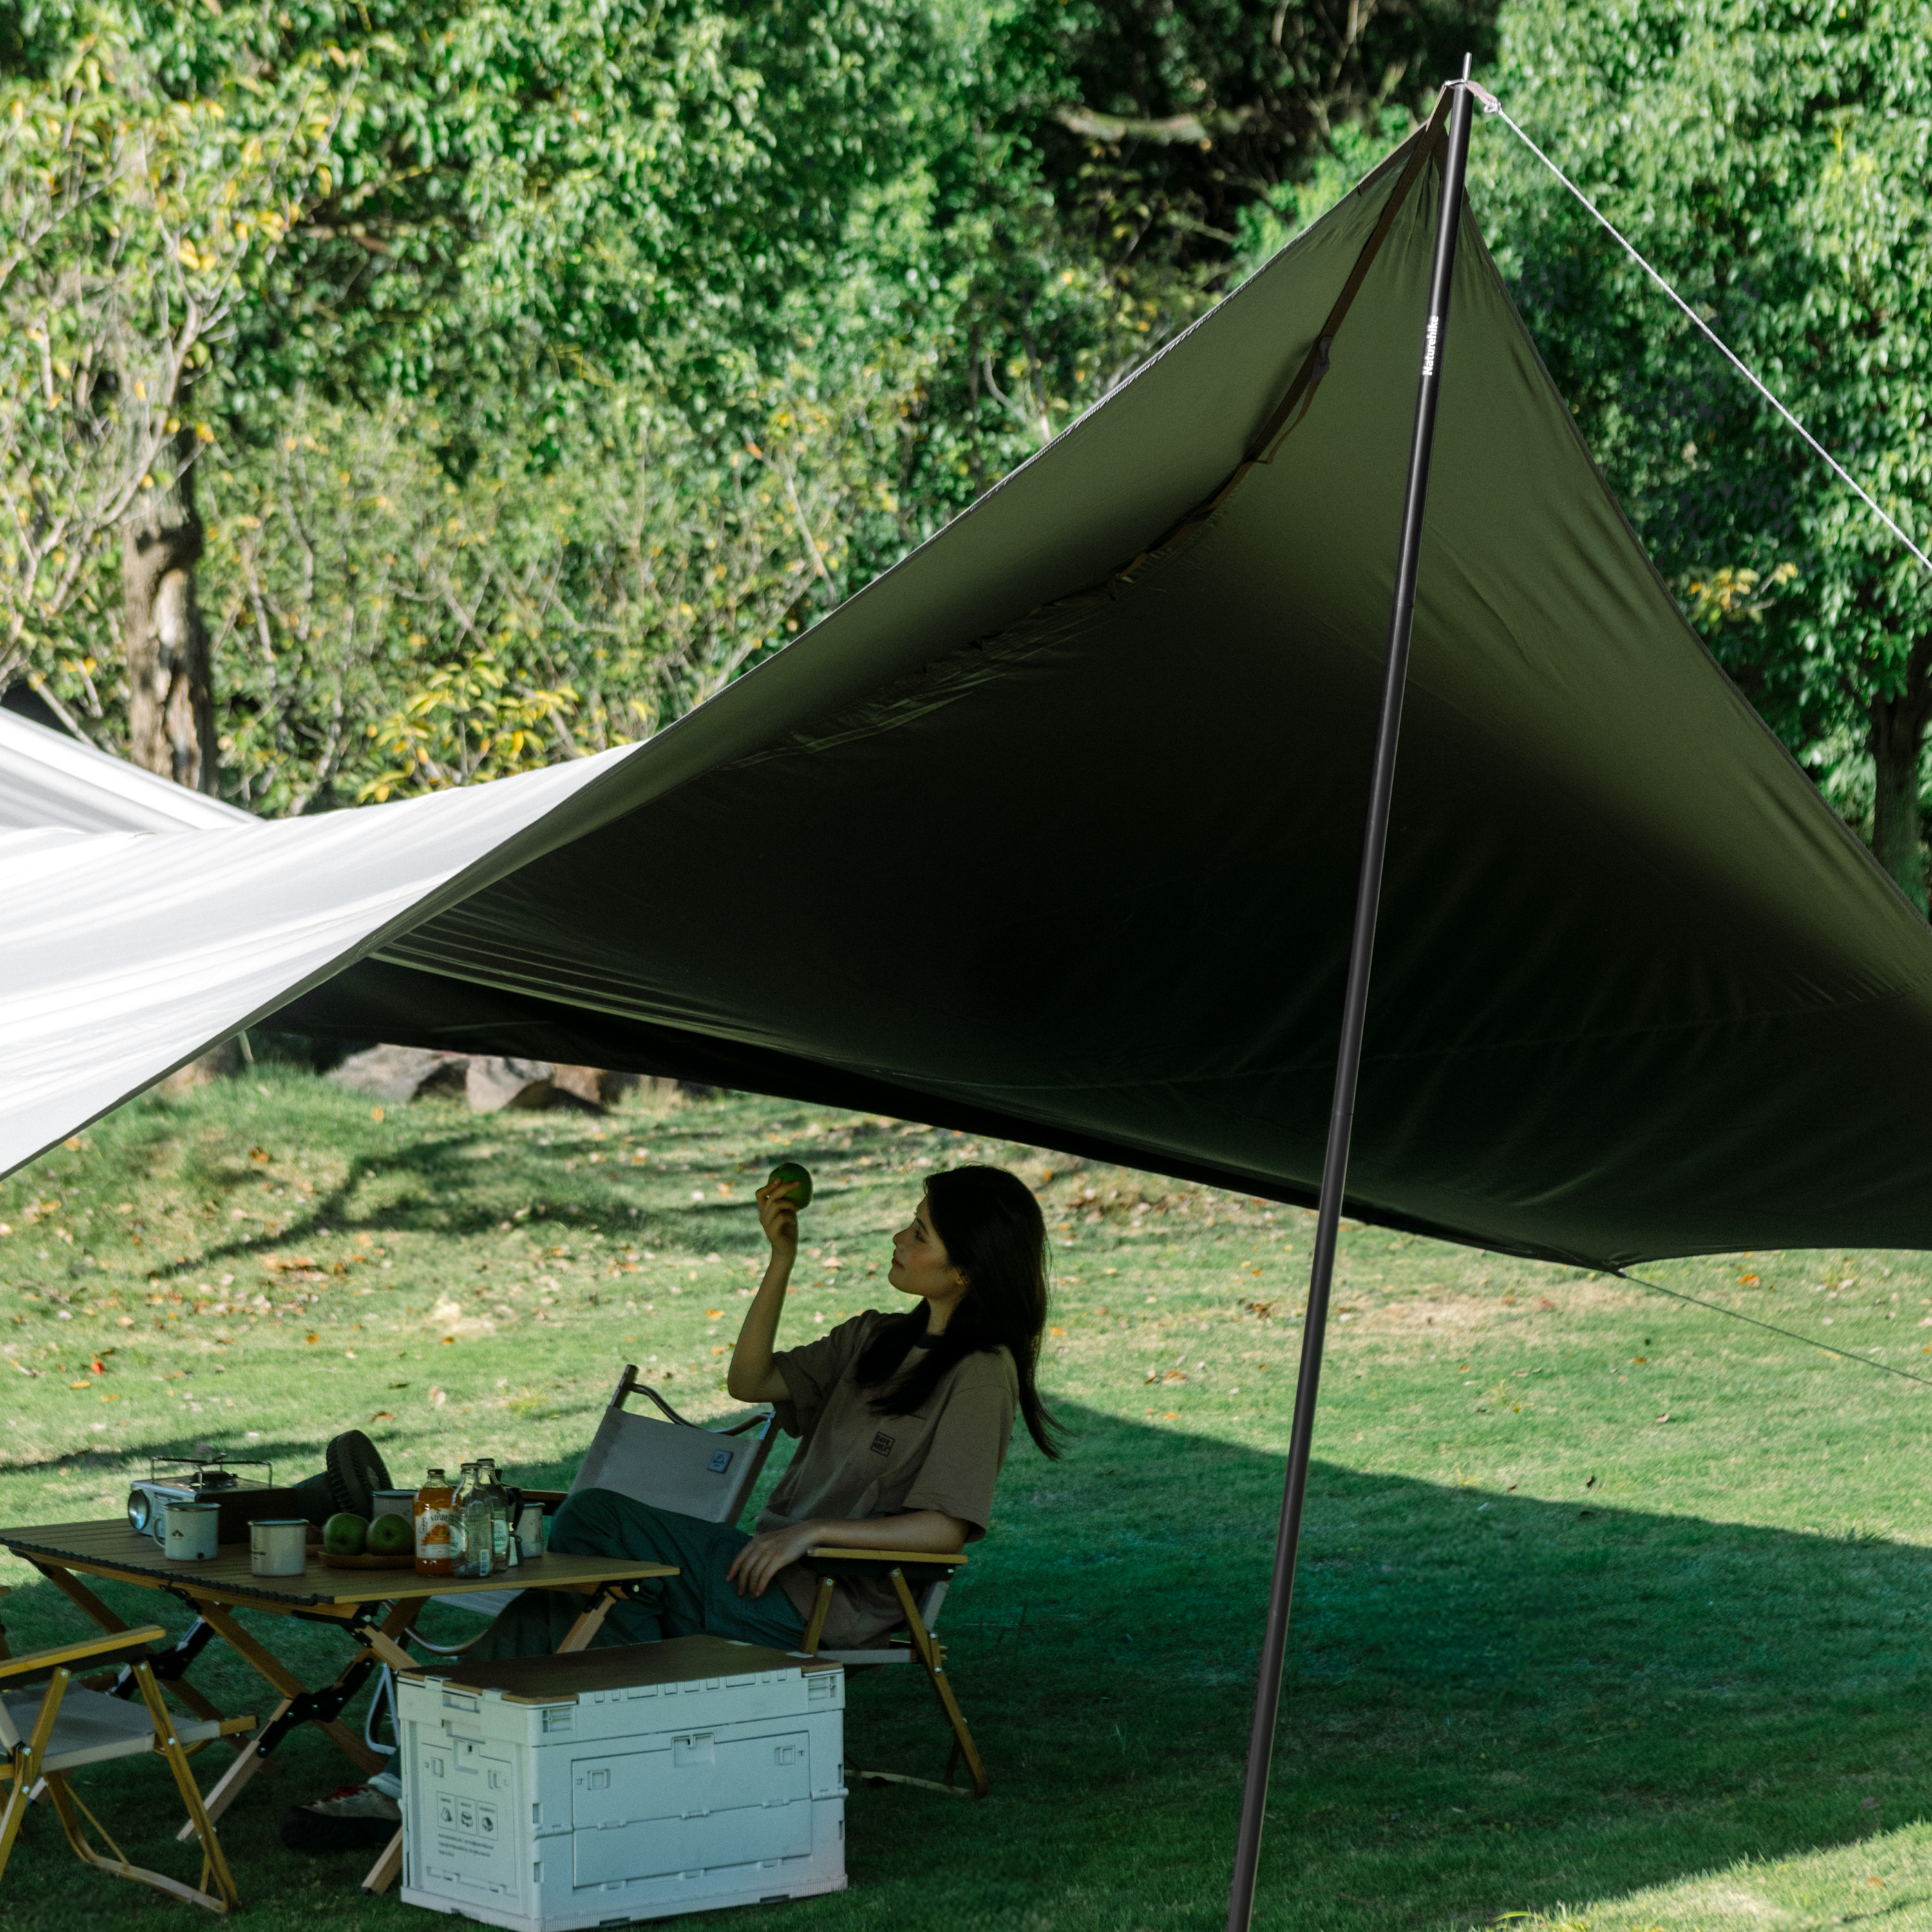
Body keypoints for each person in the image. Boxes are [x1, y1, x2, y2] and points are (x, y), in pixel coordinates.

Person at [469, 1161, 1062, 1659]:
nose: (898, 1239)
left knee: (595, 1524)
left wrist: (814, 1532)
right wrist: (781, 1259)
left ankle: (615, 1690)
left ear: (964, 1271)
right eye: (910, 1223)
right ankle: (519, 1698)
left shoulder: (981, 1373)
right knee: (586, 1594)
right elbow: (749, 1381)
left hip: (820, 1604)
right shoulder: (873, 1338)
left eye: (920, 1234)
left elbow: (945, 1528)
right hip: (761, 1573)